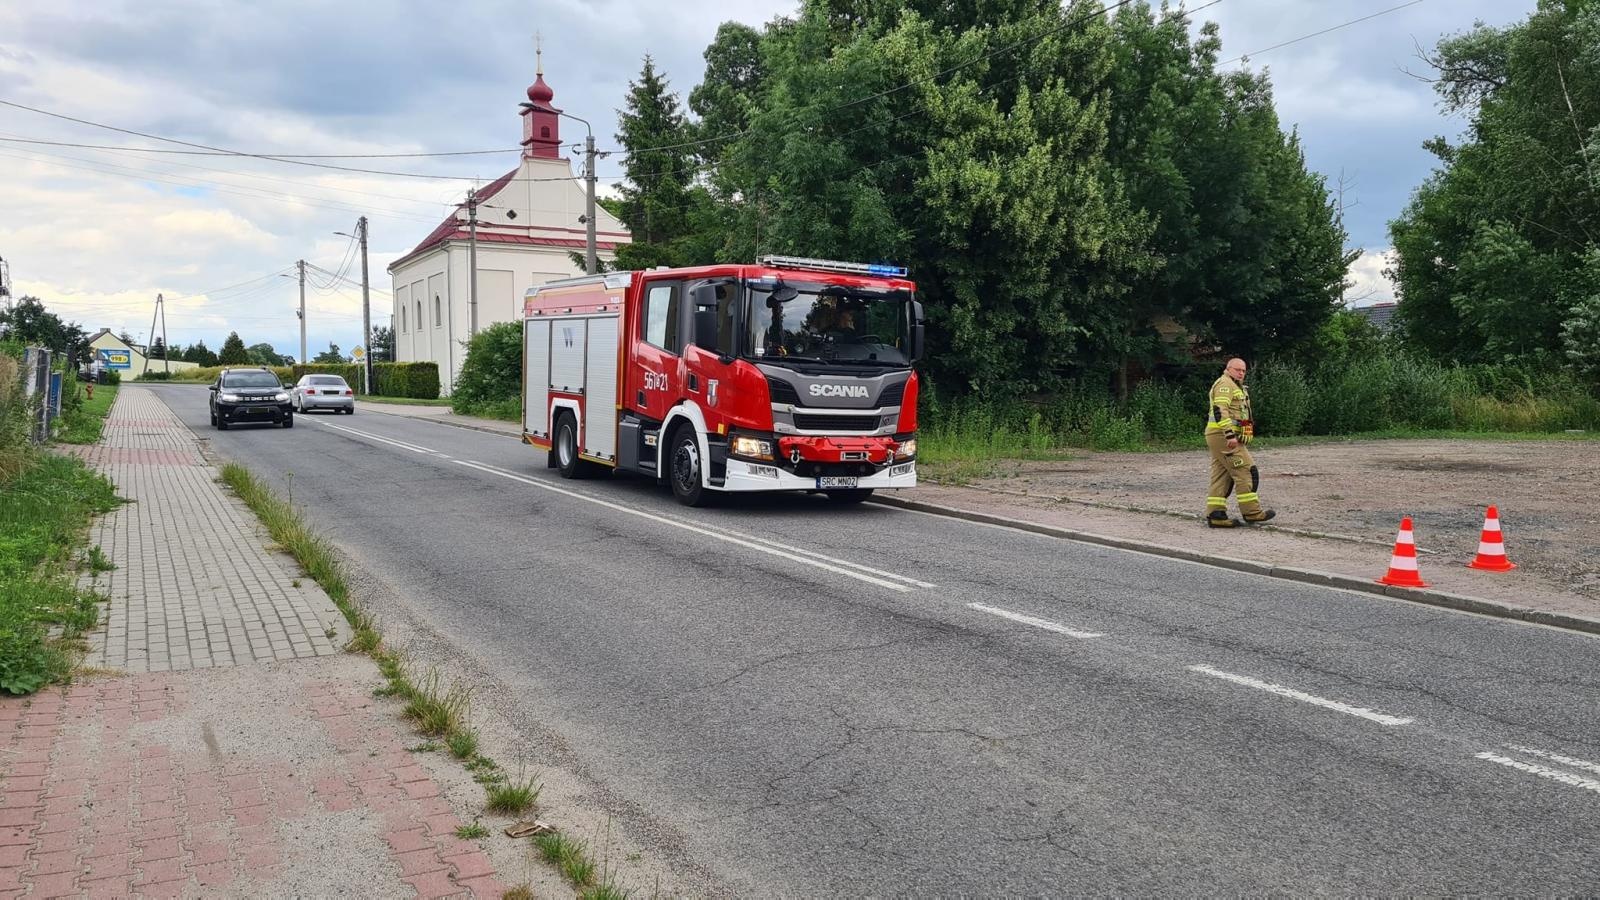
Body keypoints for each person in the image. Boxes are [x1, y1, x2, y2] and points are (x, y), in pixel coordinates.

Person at [1204, 357, 1275, 527]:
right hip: (1223, 437)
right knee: (1247, 471)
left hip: (1219, 436)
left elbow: (1239, 413)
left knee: (1222, 475)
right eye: (1238, 370)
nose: (1241, 373)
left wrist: (1245, 428)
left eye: (1243, 370)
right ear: (1228, 369)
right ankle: (1252, 513)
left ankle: (1216, 515)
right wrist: (1229, 435)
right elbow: (1220, 410)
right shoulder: (1225, 385)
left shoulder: (1235, 385)